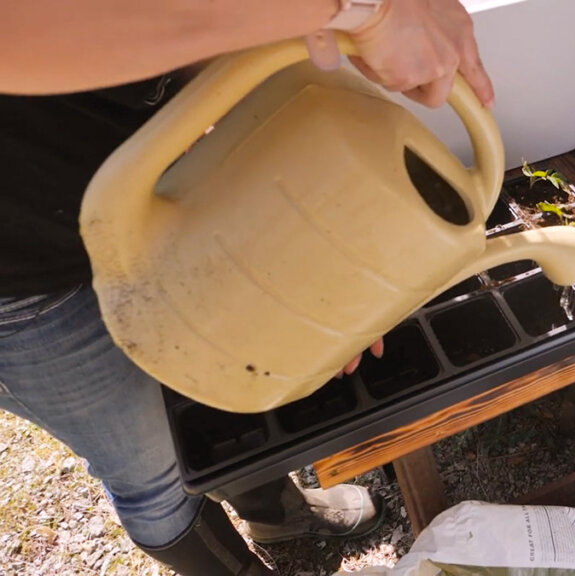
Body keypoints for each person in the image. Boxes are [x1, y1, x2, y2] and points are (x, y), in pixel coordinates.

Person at [0, 1, 495, 574]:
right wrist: (366, 10)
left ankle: (276, 515)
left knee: (215, 386)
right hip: (22, 280)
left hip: (142, 190)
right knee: (152, 470)